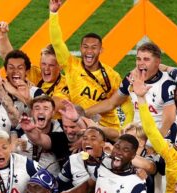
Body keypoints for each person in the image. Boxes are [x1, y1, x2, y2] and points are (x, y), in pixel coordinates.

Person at [48, 0, 122, 131]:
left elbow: (125, 103)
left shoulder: (112, 76)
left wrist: (127, 125)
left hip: (104, 129)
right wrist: (53, 13)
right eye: (85, 47)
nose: (89, 51)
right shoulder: (71, 64)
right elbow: (57, 42)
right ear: (80, 48)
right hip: (76, 125)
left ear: (101, 50)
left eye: (94, 47)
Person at [86, 44, 176, 137]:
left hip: (158, 138)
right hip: (135, 137)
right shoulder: (131, 78)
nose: (141, 63)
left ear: (157, 62)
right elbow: (111, 103)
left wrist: (155, 142)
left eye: (146, 59)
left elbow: (168, 121)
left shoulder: (167, 84)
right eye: (138, 59)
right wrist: (84, 113)